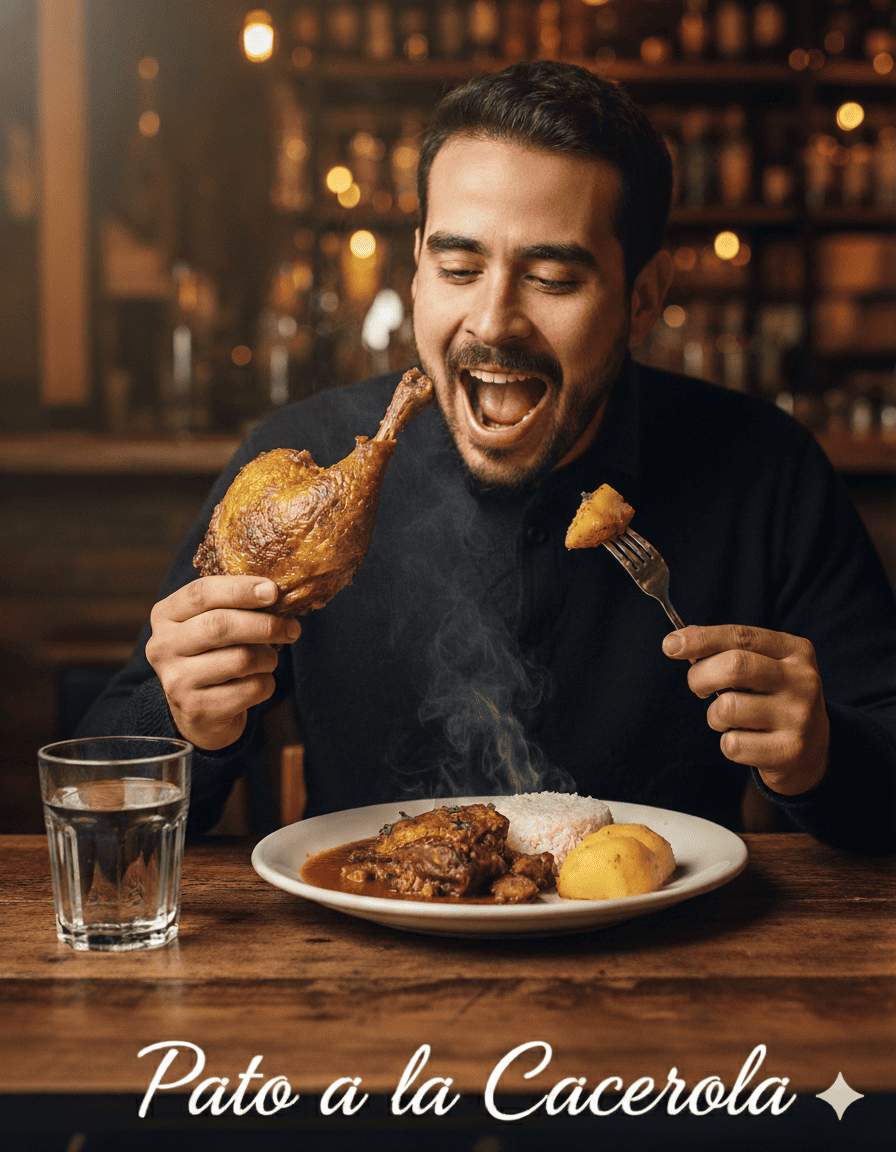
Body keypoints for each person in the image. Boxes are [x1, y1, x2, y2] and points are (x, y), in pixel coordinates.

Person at [80, 61, 896, 852]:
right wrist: (184, 723)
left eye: (552, 278)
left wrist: (823, 754)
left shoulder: (766, 471)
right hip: (361, 934)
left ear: (643, 297)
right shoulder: (301, 468)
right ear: (418, 269)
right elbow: (98, 802)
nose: (493, 320)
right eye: (459, 268)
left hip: (665, 934)